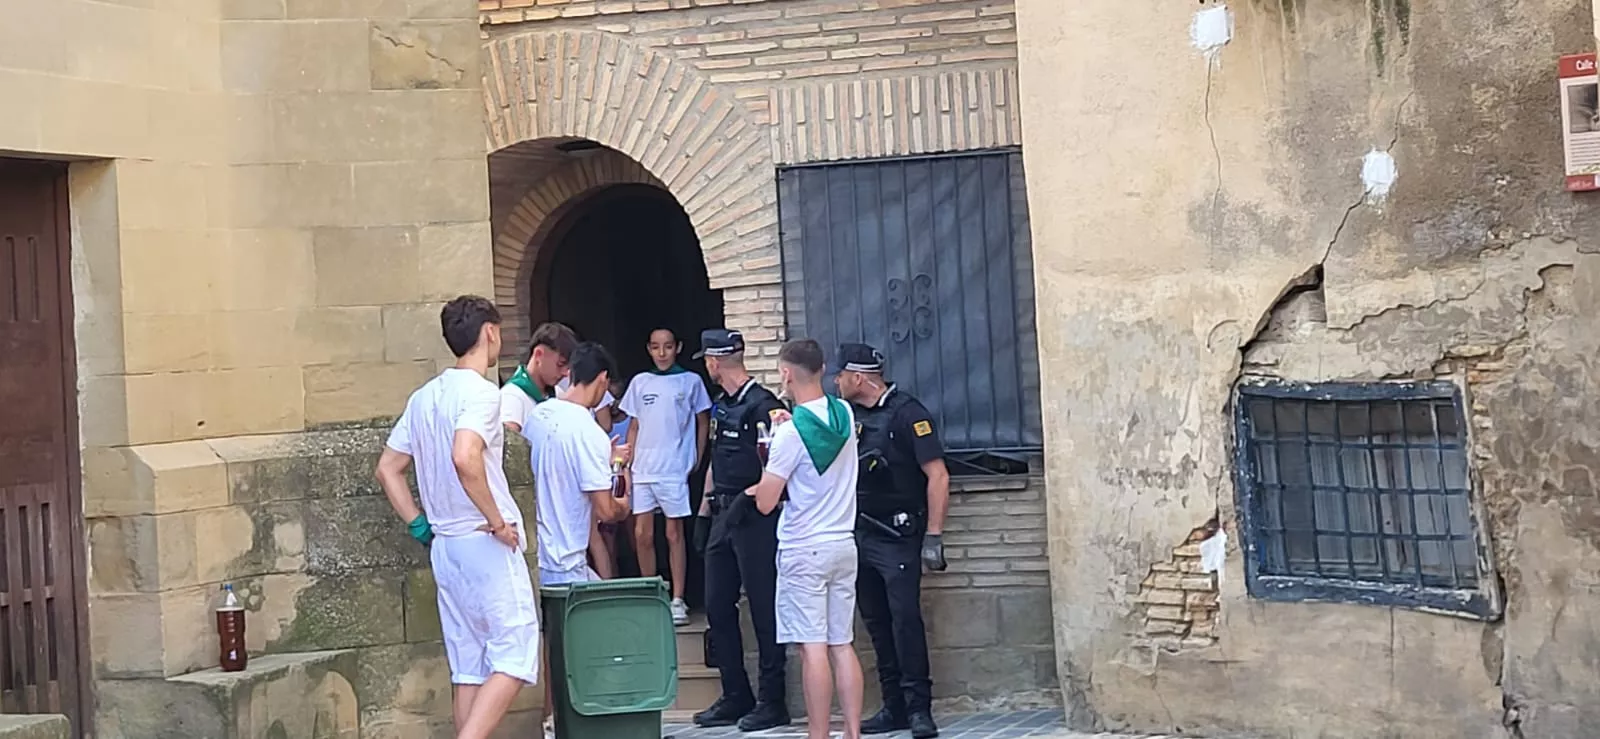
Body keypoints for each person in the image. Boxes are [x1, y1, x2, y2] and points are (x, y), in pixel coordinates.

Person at [374, 295, 533, 739]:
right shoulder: (483, 393)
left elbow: (388, 468)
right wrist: (499, 520)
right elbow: (466, 457)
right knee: (517, 653)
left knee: (469, 666)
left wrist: (420, 524)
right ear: (490, 332)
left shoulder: (424, 397)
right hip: (484, 541)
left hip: (445, 546)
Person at [747, 339, 864, 739]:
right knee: (841, 642)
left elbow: (766, 501)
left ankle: (818, 734)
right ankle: (852, 731)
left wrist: (773, 454)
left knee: (812, 646)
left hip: (804, 547)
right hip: (843, 543)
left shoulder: (790, 433)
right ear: (823, 368)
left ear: (785, 373)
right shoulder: (844, 413)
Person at [519, 341, 633, 736]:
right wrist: (622, 470)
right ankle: (576, 720)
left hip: (534, 554)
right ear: (601, 380)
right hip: (566, 559)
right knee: (597, 642)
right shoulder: (587, 431)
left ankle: (551, 721)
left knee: (552, 646)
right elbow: (608, 511)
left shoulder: (538, 416)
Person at [835, 343, 949, 739]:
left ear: (859, 377)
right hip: (860, 532)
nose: (837, 381)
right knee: (877, 625)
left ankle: (919, 710)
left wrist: (934, 535)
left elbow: (938, 475)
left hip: (898, 535)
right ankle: (893, 708)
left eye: (842, 375)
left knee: (904, 623)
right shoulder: (847, 416)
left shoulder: (907, 413)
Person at [690, 329, 790, 731]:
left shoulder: (763, 405)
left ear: (714, 362)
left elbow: (776, 466)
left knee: (764, 609)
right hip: (721, 515)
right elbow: (716, 459)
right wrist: (702, 513)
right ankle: (736, 694)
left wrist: (749, 503)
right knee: (717, 605)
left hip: (755, 517)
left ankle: (773, 700)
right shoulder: (721, 406)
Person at [619, 328, 711, 625]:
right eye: (656, 347)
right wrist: (627, 462)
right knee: (642, 534)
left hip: (673, 468)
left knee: (674, 534)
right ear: (648, 348)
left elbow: (702, 420)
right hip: (643, 468)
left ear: (678, 348)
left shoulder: (691, 381)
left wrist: (696, 457)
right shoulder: (640, 382)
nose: (662, 353)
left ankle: (678, 599)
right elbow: (633, 425)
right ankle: (652, 593)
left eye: (668, 347)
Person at [498, 322, 578, 436]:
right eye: (560, 364)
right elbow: (509, 448)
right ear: (539, 354)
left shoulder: (558, 394)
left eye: (568, 367)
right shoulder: (512, 398)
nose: (565, 373)